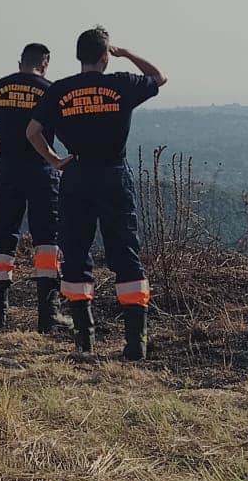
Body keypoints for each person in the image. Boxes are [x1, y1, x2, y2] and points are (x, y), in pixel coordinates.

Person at [25, 25, 168, 358]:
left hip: (76, 175)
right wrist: (128, 54)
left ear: (78, 56)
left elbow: (32, 131)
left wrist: (55, 160)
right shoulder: (122, 83)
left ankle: (84, 340)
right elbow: (159, 77)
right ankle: (136, 344)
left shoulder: (59, 91)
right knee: (125, 254)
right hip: (113, 175)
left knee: (75, 253)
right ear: (105, 55)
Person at [0, 43, 62, 331]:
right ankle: (48, 316)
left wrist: (5, 125)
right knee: (47, 239)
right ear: (45, 62)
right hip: (41, 169)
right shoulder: (51, 90)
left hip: (9, 169)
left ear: (20, 61)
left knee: (3, 235)